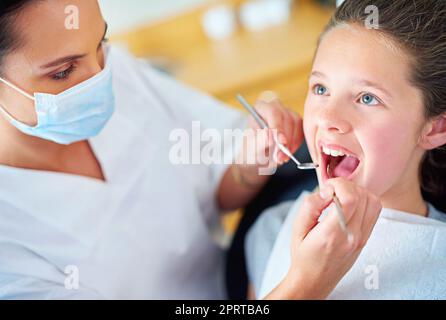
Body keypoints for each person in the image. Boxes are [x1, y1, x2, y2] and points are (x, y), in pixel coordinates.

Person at [0, 0, 380, 299]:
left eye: (100, 43)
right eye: (63, 72)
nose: (98, 78)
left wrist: (248, 165)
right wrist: (305, 285)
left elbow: (214, 190)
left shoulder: (120, 75)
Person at [246, 0, 446, 300]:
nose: (327, 119)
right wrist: (306, 283)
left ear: (434, 128)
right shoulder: (272, 229)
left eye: (367, 98)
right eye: (321, 89)